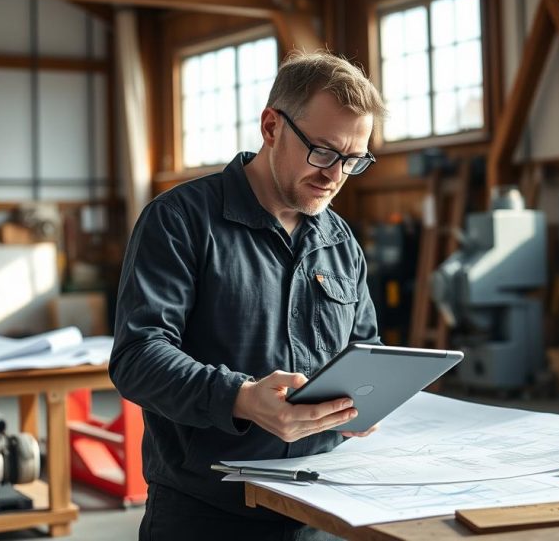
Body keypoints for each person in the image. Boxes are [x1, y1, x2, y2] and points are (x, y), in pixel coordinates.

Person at [110, 51, 388, 541]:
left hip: (321, 506)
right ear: (271, 126)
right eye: (323, 151)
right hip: (206, 512)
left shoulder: (340, 242)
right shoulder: (180, 221)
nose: (334, 175)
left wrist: (370, 401)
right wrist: (240, 399)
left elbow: (365, 348)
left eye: (352, 160)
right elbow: (137, 356)